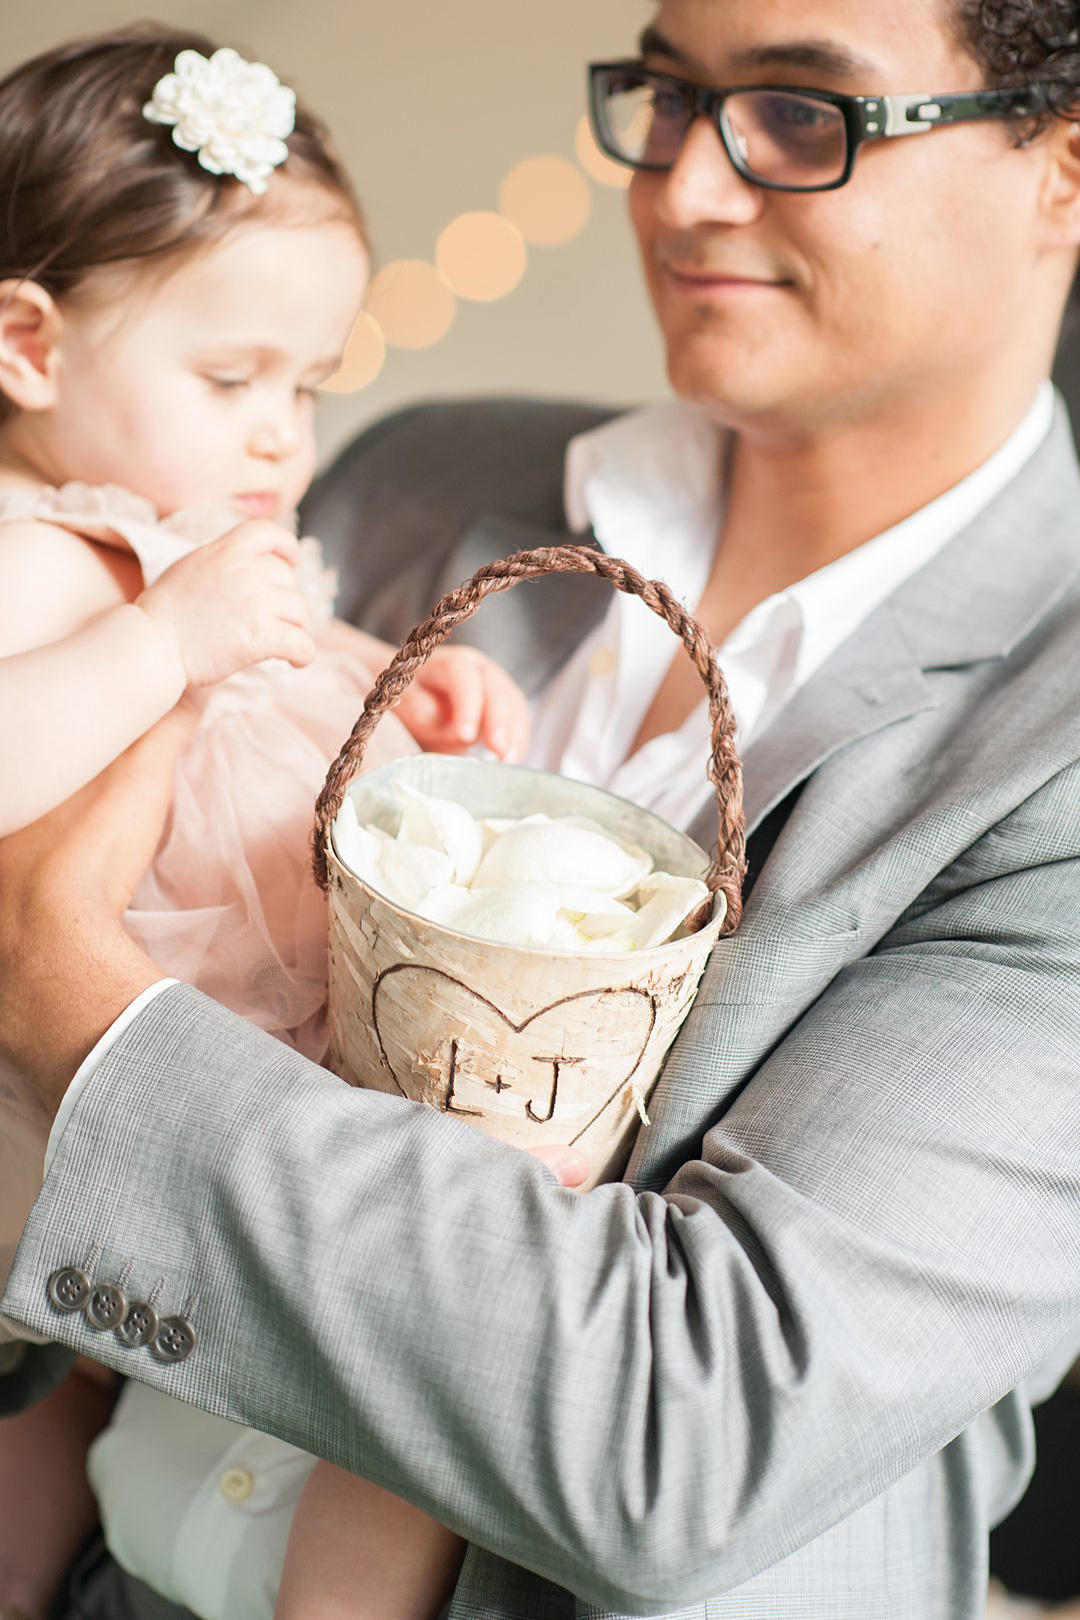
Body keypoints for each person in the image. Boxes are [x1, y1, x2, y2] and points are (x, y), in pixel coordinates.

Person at [2, 0, 1080, 1617]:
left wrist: (60, 987)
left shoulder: (1048, 758)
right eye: (667, 94)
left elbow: (688, 1427)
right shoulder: (410, 484)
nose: (682, 190)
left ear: (1062, 163)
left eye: (801, 112)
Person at [0, 28, 534, 1620]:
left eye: (308, 386)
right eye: (231, 379)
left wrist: (403, 689)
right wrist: (157, 640)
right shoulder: (44, 555)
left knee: (152, 1367)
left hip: (220, 1076)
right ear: (26, 343)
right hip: (78, 1103)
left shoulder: (204, 531)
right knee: (413, 1347)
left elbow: (291, 675)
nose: (279, 435)